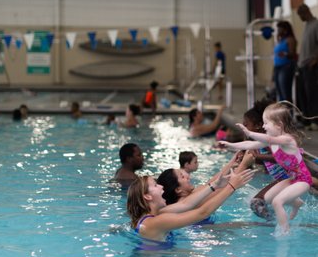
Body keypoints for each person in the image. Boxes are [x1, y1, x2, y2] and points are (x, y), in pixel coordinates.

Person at [220, 102, 312, 235]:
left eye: (266, 123)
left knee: (277, 202)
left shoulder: (287, 140)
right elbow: (250, 143)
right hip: (293, 178)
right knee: (266, 198)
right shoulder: (273, 140)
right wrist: (231, 145)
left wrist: (248, 132)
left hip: (303, 179)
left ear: (279, 125)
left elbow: (267, 138)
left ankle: (284, 233)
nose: (263, 126)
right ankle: (296, 203)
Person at [127, 168, 255, 242]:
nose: (161, 187)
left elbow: (187, 204)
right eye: (155, 185)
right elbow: (202, 213)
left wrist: (216, 185)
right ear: (147, 196)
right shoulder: (158, 220)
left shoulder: (156, 215)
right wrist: (232, 186)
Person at [242, 99, 290, 221]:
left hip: (290, 177)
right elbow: (267, 161)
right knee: (258, 203)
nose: (244, 127)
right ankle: (276, 220)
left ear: (258, 125)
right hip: (283, 178)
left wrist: (257, 157)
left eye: (246, 124)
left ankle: (274, 223)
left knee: (256, 203)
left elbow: (280, 158)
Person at [296, 4, 318, 130]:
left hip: (310, 65)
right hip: (302, 65)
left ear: (306, 12)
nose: (300, 18)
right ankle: (307, 120)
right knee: (303, 95)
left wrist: (315, 60)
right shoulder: (306, 25)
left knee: (312, 94)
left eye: (300, 15)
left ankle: (315, 121)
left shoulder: (316, 24)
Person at [273, 21, 297, 102]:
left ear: (285, 29)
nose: (278, 31)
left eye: (280, 29)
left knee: (285, 92)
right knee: (279, 92)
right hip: (277, 67)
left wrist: (285, 54)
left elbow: (292, 54)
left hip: (286, 67)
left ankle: (288, 113)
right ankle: (281, 112)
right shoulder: (280, 40)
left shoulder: (290, 39)